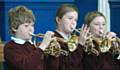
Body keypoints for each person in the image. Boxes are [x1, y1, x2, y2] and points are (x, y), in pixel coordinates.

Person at [4, 6, 55, 70]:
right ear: (14, 28)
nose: (31, 29)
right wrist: (43, 46)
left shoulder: (33, 46)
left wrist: (53, 56)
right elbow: (25, 66)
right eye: (26, 26)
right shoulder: (10, 47)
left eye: (32, 25)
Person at [44, 4, 84, 70]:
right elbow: (68, 66)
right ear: (58, 20)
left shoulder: (75, 39)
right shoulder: (52, 40)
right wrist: (80, 46)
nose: (73, 23)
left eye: (75, 20)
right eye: (70, 18)